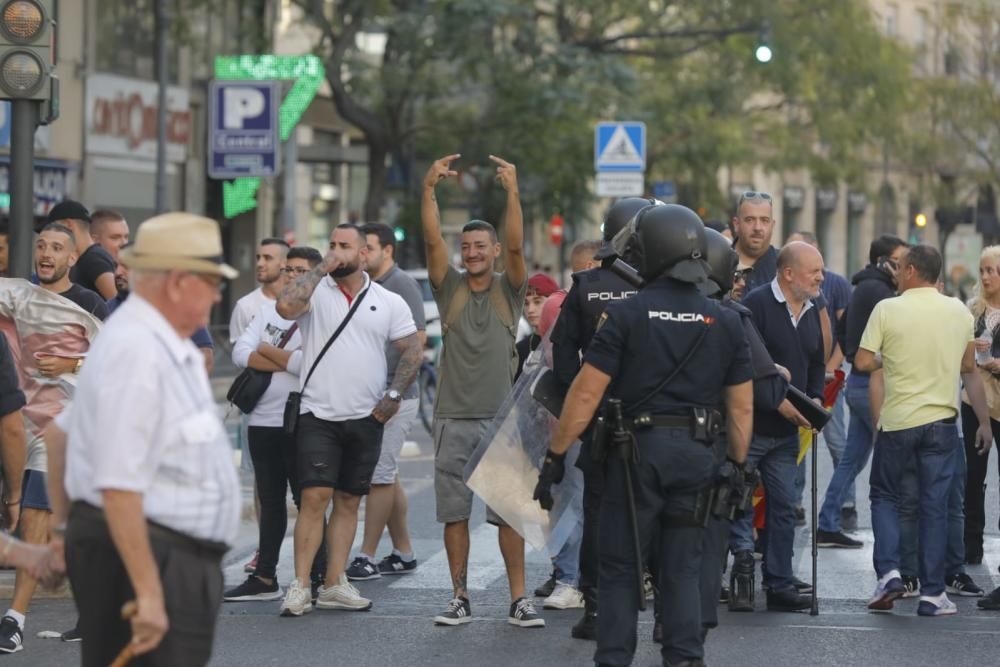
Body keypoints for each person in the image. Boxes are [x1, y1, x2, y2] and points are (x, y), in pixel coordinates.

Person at [534, 204, 753, 667]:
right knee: (683, 567)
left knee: (619, 568)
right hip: (699, 457)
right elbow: (741, 406)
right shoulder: (727, 320)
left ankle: (614, 658)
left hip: (635, 457)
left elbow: (586, 392)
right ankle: (684, 657)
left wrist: (555, 456)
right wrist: (736, 463)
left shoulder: (628, 314)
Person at [45, 212, 242, 666]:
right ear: (177, 282)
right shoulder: (138, 350)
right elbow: (118, 484)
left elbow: (60, 437)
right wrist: (150, 592)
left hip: (154, 555)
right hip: (153, 560)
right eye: (210, 281)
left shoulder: (149, 340)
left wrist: (62, 536)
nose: (216, 294)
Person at [420, 154, 542, 628]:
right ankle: (459, 596)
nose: (472, 252)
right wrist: (429, 189)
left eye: (480, 246)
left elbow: (516, 246)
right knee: (455, 514)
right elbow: (430, 238)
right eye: (466, 246)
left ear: (492, 252)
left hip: (500, 418)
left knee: (508, 515)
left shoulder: (508, 288)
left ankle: (519, 599)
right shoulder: (446, 287)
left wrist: (513, 192)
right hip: (452, 416)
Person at [275, 224, 421, 617]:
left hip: (366, 417)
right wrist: (322, 266)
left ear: (364, 254)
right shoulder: (314, 290)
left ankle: (335, 581)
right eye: (332, 244)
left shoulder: (387, 300)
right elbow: (285, 307)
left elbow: (412, 349)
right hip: (317, 413)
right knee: (313, 498)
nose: (337, 251)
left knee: (348, 500)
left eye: (345, 246)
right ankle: (301, 585)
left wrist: (393, 395)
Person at [855, 244, 993, 617]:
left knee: (885, 496)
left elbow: (864, 361)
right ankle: (934, 594)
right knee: (936, 506)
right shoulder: (957, 311)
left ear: (913, 270)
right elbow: (968, 366)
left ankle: (890, 574)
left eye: (899, 268)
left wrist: (892, 355)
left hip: (898, 421)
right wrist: (982, 421)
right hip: (942, 423)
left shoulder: (887, 308)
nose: (895, 274)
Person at [549, 197, 655, 639]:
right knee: (654, 511)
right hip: (652, 419)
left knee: (597, 512)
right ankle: (654, 596)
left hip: (599, 419)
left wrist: (583, 403)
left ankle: (594, 607)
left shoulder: (585, 284)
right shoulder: (659, 285)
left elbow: (563, 353)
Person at [223, 246, 328, 602]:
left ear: (316, 276)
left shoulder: (321, 315)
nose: (291, 276)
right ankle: (265, 576)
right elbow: (240, 354)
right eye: (288, 270)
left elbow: (308, 365)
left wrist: (266, 351)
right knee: (270, 501)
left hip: (302, 421)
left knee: (307, 500)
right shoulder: (266, 310)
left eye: (300, 270)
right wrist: (284, 358)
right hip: (261, 420)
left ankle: (319, 576)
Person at [698, 227, 788, 637]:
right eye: (734, 277)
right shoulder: (733, 317)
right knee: (724, 510)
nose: (739, 284)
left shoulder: (642, 307)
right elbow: (762, 389)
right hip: (713, 437)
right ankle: (740, 578)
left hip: (655, 441)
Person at [729, 242, 825, 613]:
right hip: (753, 424)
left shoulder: (813, 309)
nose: (820, 277)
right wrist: (778, 402)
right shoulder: (755, 305)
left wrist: (815, 397)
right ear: (788, 273)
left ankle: (779, 582)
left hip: (787, 434)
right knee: (737, 499)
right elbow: (743, 367)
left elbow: (816, 360)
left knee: (785, 507)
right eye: (814, 270)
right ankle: (740, 570)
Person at [344, 222, 427, 581]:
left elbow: (416, 342)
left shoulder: (401, 285)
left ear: (387, 251)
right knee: (387, 475)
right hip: (368, 396)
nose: (363, 254)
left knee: (378, 476)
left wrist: (393, 392)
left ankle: (366, 555)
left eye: (370, 248)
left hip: (397, 397)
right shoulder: (363, 286)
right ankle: (404, 552)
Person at [816, 235, 908, 549]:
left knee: (851, 460)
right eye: (899, 260)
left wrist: (851, 356)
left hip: (856, 381)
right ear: (884, 262)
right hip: (873, 384)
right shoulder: (883, 293)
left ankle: (827, 523)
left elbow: (842, 331)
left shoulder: (862, 289)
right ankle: (897, 537)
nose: (904, 267)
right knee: (893, 461)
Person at [229, 237, 289, 573]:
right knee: (262, 485)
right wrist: (291, 361)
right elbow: (245, 359)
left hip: (294, 409)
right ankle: (264, 552)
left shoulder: (302, 303)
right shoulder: (246, 306)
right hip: (256, 406)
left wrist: (268, 352)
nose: (260, 263)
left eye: (268, 257)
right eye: (258, 256)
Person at [786, 231, 853, 526]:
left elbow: (843, 332)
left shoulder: (834, 285)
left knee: (837, 441)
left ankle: (846, 502)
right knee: (795, 444)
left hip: (826, 376)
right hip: (796, 379)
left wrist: (832, 369)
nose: (817, 275)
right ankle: (795, 501)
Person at [108, 252, 215, 374]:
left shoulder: (175, 308)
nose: (118, 273)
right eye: (115, 266)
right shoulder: (106, 310)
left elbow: (205, 358)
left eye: (126, 266)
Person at [960, 246, 1000, 566]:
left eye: (992, 270)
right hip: (975, 403)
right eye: (983, 270)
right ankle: (970, 545)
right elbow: (958, 353)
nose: (986, 276)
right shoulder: (971, 310)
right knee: (973, 477)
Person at [34, 223, 109, 322]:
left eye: (56, 248)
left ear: (72, 258)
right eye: (40, 246)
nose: (46, 254)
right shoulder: (21, 298)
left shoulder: (89, 303)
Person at [48, 200, 117, 301]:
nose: (50, 236)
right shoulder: (85, 258)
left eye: (54, 229)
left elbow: (116, 302)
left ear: (69, 225)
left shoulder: (93, 258)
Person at [731, 191, 778, 295]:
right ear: (736, 224)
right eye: (750, 220)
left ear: (772, 225)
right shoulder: (716, 263)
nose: (757, 228)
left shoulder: (785, 267)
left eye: (764, 220)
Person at [516, 273, 560, 379]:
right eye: (526, 303)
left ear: (553, 302)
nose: (530, 310)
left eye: (537, 302)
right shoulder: (520, 349)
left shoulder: (567, 344)